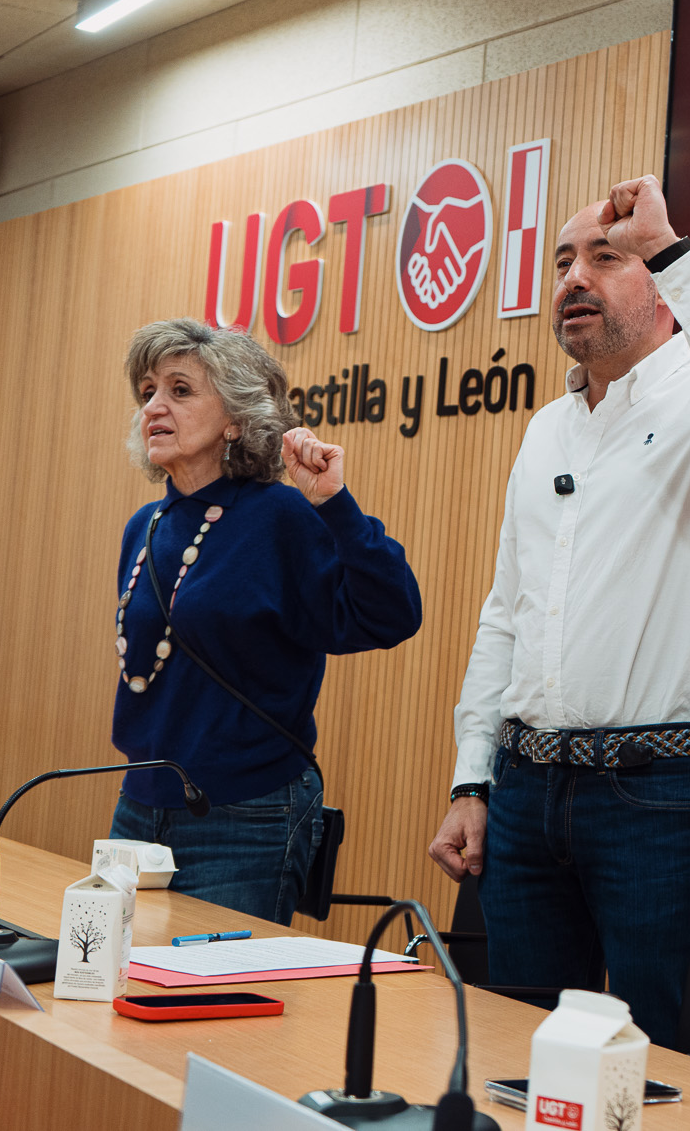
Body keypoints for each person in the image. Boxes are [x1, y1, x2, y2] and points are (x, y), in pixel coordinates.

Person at [427, 177, 690, 1045]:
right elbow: (505, 615)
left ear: (668, 287)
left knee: (660, 1065)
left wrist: (672, 246)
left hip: (659, 800)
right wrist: (472, 778)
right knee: (514, 1050)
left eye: (607, 256)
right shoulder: (543, 430)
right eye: (563, 261)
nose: (573, 277)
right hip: (523, 797)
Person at [109, 318, 421, 924]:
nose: (154, 406)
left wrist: (335, 504)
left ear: (234, 418)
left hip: (247, 812)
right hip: (139, 806)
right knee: (124, 991)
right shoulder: (144, 527)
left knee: (215, 1008)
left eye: (180, 389)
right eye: (147, 391)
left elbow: (391, 615)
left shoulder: (279, 515)